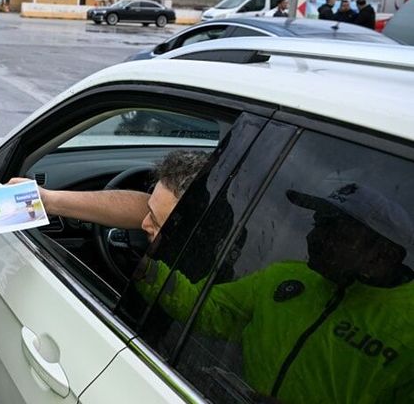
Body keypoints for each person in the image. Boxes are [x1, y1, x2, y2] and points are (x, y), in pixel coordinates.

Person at [30, 151, 414, 403]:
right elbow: (209, 311)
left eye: (334, 231)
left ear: (383, 251)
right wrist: (148, 270)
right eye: (317, 223)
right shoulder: (287, 277)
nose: (314, 237)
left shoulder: (408, 321)